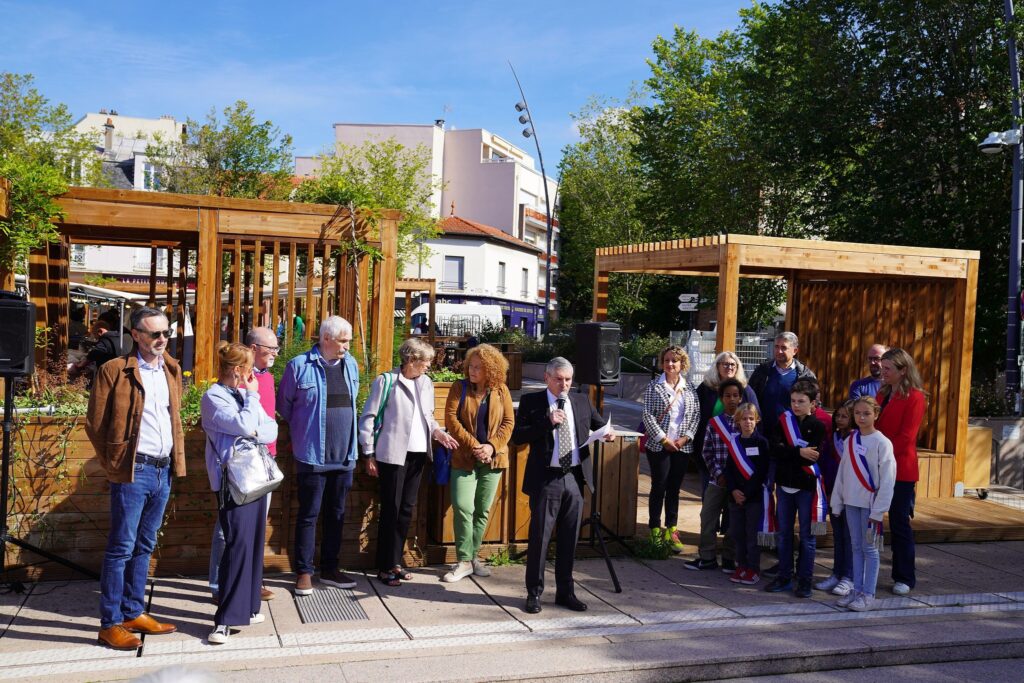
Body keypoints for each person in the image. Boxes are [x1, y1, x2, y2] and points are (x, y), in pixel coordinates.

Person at [86, 307, 185, 651]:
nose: (162, 340)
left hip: (163, 469)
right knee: (121, 548)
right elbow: (96, 424)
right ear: (136, 335)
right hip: (133, 470)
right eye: (155, 334)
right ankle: (110, 622)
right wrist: (114, 463)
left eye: (166, 334)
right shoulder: (114, 371)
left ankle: (133, 611)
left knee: (144, 546)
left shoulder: (171, 369)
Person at [512, 357, 615, 615]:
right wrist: (547, 422)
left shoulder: (580, 400)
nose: (564, 384)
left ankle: (565, 592)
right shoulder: (532, 402)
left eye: (568, 379)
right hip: (547, 478)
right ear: (547, 378)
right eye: (559, 379)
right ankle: (534, 593)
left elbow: (598, 424)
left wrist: (607, 433)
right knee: (540, 538)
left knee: (570, 539)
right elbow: (518, 437)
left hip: (574, 477)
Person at [359, 338, 458, 586]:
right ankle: (384, 567)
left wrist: (438, 433)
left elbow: (428, 417)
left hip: (418, 455)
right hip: (392, 456)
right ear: (411, 360)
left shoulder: (426, 383)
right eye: (425, 362)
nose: (428, 367)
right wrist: (368, 453)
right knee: (390, 510)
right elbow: (368, 418)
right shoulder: (387, 381)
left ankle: (396, 562)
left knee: (406, 511)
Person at [201, 343, 278, 644]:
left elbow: (271, 429)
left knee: (254, 541)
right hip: (232, 481)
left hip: (255, 477)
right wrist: (253, 402)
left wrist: (252, 423)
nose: (253, 374)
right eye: (248, 368)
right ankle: (224, 619)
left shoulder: (243, 396)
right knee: (236, 545)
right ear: (237, 370)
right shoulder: (214, 397)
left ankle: (248, 607)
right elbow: (247, 424)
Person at [278, 316, 361, 595]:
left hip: (344, 455)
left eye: (348, 340)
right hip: (312, 455)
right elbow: (285, 407)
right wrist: (305, 431)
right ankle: (304, 572)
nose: (347, 347)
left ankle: (330, 568)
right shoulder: (299, 366)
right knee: (309, 515)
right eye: (343, 341)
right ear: (326, 338)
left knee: (336, 514)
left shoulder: (350, 365)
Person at [442, 344, 515, 582]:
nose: (472, 371)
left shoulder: (501, 390)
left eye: (478, 368)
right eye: (471, 366)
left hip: (493, 459)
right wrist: (476, 446)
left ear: (491, 370)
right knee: (463, 507)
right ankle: (463, 560)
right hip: (464, 458)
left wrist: (491, 446)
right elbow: (452, 420)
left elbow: (508, 423)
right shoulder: (459, 387)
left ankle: (473, 557)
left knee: (482, 510)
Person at [831, 397, 896, 612]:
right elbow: (843, 472)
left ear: (876, 414)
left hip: (870, 504)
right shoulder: (851, 439)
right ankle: (856, 590)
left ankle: (869, 593)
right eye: (857, 413)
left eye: (866, 413)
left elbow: (888, 478)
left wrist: (879, 510)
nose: (861, 417)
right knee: (856, 547)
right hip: (851, 501)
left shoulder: (882, 442)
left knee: (870, 549)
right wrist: (837, 500)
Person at [765, 381, 826, 598]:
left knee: (807, 536)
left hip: (806, 487)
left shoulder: (817, 426)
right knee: (784, 534)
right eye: (793, 401)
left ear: (812, 403)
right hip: (784, 485)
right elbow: (774, 448)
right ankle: (784, 575)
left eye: (801, 401)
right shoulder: (783, 422)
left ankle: (805, 579)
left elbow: (813, 455)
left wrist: (790, 453)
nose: (796, 405)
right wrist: (798, 453)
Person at [874, 348, 926, 596]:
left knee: (899, 523)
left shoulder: (915, 397)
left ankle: (904, 576)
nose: (882, 372)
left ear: (903, 370)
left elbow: (906, 438)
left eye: (887, 369)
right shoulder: (883, 393)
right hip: (877, 466)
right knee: (870, 519)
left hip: (900, 469)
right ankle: (866, 572)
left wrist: (878, 454)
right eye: (881, 368)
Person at [640, 345, 699, 553]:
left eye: (674, 361)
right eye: (666, 360)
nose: (670, 364)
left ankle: (671, 529)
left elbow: (695, 416)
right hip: (659, 445)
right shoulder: (654, 387)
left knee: (674, 489)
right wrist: (664, 439)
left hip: (682, 446)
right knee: (659, 487)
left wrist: (685, 438)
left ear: (682, 364)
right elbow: (647, 415)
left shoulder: (690, 388)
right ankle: (655, 528)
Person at [686, 378, 744, 571]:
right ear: (721, 399)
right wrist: (718, 474)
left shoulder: (745, 422)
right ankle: (708, 556)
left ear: (741, 398)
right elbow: (707, 452)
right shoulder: (713, 423)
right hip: (716, 479)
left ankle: (729, 557)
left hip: (739, 481)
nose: (732, 400)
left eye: (736, 396)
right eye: (727, 396)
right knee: (708, 516)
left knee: (734, 521)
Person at [692, 351, 760, 477]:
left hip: (739, 450)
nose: (729, 367)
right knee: (710, 493)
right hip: (711, 447)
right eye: (725, 364)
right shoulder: (706, 388)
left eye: (733, 365)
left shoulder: (746, 390)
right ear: (717, 366)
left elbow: (756, 418)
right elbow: (695, 414)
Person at [724, 402, 770, 585]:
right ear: (737, 421)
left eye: (751, 419)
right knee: (737, 533)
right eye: (744, 419)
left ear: (757, 420)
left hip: (754, 497)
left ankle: (753, 568)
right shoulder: (734, 443)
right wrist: (734, 490)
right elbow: (729, 470)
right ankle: (741, 566)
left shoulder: (762, 443)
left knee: (752, 535)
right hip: (735, 497)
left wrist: (747, 493)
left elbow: (761, 471)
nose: (748, 422)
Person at [815, 399, 855, 598]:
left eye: (845, 416)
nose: (840, 420)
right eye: (837, 416)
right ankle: (837, 573)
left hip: (852, 495)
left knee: (849, 537)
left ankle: (850, 576)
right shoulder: (832, 439)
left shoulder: (856, 439)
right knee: (838, 536)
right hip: (833, 493)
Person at [748, 332, 816, 439]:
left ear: (795, 351)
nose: (779, 351)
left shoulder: (805, 375)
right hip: (763, 433)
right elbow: (749, 399)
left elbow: (815, 405)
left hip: (793, 434)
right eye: (776, 347)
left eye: (784, 348)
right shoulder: (762, 371)